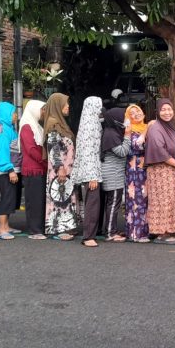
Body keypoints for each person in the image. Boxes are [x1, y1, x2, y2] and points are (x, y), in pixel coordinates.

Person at [144, 99, 175, 245]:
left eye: (169, 109)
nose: (167, 112)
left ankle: (172, 229)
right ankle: (161, 233)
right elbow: (158, 149)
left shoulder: (172, 126)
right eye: (163, 110)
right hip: (160, 170)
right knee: (162, 201)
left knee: (172, 200)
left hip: (172, 170)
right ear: (157, 111)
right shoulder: (156, 127)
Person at [43, 93, 80, 241]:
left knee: (66, 197)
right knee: (60, 198)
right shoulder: (53, 124)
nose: (68, 106)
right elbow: (54, 149)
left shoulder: (60, 123)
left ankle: (68, 226)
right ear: (57, 106)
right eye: (65, 104)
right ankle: (58, 229)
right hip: (60, 170)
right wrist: (60, 168)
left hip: (67, 168)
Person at [72, 96, 104, 248]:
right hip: (91, 172)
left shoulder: (89, 122)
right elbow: (88, 151)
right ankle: (88, 236)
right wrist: (92, 176)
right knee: (92, 203)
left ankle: (91, 233)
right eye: (98, 105)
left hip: (91, 169)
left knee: (93, 202)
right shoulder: (90, 125)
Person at [99, 107, 131, 243]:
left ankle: (110, 229)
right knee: (113, 204)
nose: (126, 120)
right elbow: (122, 151)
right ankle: (110, 233)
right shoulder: (110, 134)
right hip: (112, 175)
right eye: (124, 117)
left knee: (112, 203)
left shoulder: (112, 131)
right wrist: (128, 135)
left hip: (113, 173)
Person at [0, 101, 22, 240]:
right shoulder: (2, 130)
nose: (15, 116)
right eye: (13, 113)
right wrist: (10, 170)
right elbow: (2, 153)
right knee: (6, 197)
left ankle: (6, 226)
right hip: (5, 170)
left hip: (11, 168)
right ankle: (1, 229)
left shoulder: (9, 128)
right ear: (7, 114)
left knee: (10, 198)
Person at [19, 100, 48, 240]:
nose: (43, 112)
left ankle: (39, 228)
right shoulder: (26, 126)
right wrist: (44, 162)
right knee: (34, 200)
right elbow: (31, 149)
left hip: (39, 168)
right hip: (33, 169)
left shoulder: (35, 125)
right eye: (42, 109)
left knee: (39, 199)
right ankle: (34, 230)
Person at [124, 104, 150, 243]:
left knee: (145, 200)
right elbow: (137, 145)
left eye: (138, 110)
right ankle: (136, 233)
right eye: (132, 113)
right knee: (136, 201)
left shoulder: (145, 127)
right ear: (128, 117)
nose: (137, 114)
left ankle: (145, 231)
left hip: (145, 170)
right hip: (134, 172)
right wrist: (146, 132)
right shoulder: (129, 130)